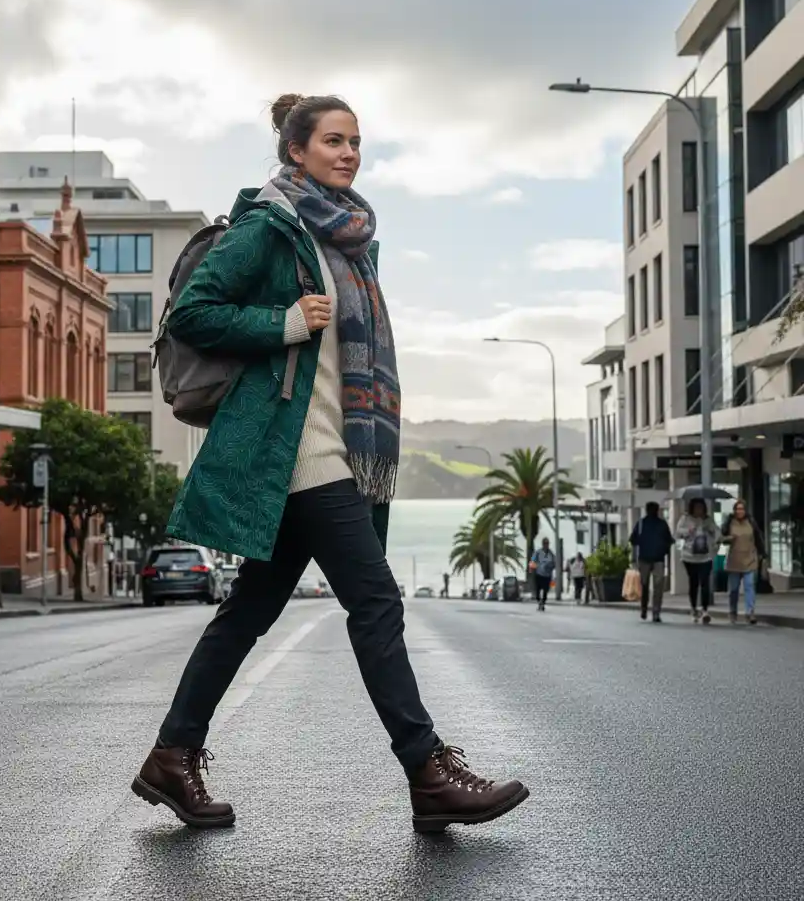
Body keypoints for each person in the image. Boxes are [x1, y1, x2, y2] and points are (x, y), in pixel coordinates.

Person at [131, 93, 528, 832]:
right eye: (333, 141)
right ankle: (427, 772)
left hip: (333, 450)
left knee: (247, 613)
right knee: (376, 602)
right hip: (299, 448)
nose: (348, 154)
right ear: (296, 151)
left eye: (354, 142)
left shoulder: (349, 240)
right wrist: (282, 321)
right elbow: (192, 313)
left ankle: (171, 757)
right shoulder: (269, 226)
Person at [675, 498, 720, 625]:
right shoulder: (685, 519)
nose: (699, 510)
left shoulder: (708, 520)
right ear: (692, 508)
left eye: (701, 508)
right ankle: (694, 608)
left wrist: (713, 534)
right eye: (696, 508)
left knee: (705, 582)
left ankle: (705, 610)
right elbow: (678, 533)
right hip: (690, 556)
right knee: (693, 583)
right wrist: (689, 530)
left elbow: (717, 532)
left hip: (706, 556)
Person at [721, 499, 765, 625]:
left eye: (742, 509)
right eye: (737, 509)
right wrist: (728, 538)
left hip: (749, 558)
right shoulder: (729, 522)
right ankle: (732, 611)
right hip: (734, 560)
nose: (739, 511)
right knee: (734, 589)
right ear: (734, 510)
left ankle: (750, 612)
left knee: (749, 585)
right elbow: (722, 537)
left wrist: (762, 553)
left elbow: (758, 537)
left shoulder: (750, 522)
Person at [629, 501, 674, 623]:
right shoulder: (661, 524)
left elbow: (633, 540)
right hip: (657, 558)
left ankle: (645, 609)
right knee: (657, 587)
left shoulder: (641, 524)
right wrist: (664, 549)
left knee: (645, 585)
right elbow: (669, 540)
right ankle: (655, 612)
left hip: (645, 558)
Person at [529, 537, 555, 611]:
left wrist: (551, 567)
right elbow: (532, 561)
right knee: (538, 591)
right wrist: (531, 569)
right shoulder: (538, 552)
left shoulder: (551, 553)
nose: (546, 545)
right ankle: (539, 601)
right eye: (545, 543)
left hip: (547, 575)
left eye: (547, 543)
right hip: (539, 574)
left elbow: (554, 563)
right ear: (543, 544)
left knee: (545, 591)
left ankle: (542, 603)